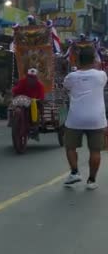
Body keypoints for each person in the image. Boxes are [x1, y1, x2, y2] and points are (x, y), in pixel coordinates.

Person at [62, 47, 107, 189]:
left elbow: (66, 87)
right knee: (95, 151)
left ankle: (75, 172)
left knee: (70, 147)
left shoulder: (71, 76)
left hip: (76, 118)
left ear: (78, 60)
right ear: (94, 60)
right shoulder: (101, 75)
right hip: (96, 119)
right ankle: (92, 181)